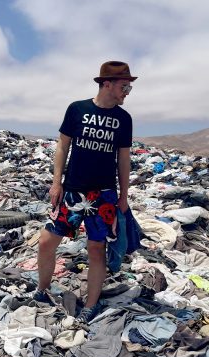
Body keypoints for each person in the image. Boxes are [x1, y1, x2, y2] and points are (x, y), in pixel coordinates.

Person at [33, 61, 137, 323]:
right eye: (124, 86)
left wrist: (123, 196)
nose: (127, 91)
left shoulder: (123, 119)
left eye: (129, 87)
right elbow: (62, 146)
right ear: (107, 84)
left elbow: (123, 159)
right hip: (72, 191)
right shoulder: (77, 109)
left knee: (95, 248)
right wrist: (56, 182)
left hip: (103, 195)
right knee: (46, 242)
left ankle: (91, 305)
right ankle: (42, 290)